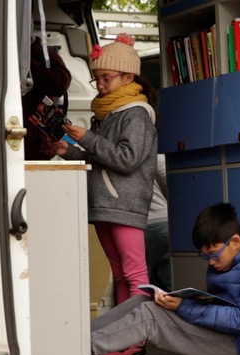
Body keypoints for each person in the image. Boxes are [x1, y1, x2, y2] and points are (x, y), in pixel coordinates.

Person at [90, 203, 240, 355]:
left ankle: (78, 353)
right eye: (205, 255)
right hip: (223, 335)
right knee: (145, 299)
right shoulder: (231, 257)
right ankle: (79, 338)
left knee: (151, 316)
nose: (210, 261)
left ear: (235, 241)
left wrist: (185, 307)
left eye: (213, 254)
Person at [56, 33, 158, 303]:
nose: (99, 85)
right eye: (96, 78)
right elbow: (102, 159)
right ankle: (125, 339)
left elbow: (126, 159)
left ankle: (137, 341)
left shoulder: (136, 114)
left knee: (135, 275)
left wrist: (87, 139)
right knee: (121, 275)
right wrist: (70, 152)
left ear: (128, 77)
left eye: (106, 78)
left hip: (125, 207)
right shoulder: (108, 113)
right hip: (105, 205)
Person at [22, 36, 72, 160]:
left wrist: (25, 59)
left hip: (34, 145)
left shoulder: (34, 52)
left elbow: (60, 82)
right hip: (21, 142)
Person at [145, 154, 172, 291]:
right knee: (168, 285)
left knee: (143, 284)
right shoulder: (153, 152)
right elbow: (171, 182)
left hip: (136, 225)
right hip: (162, 222)